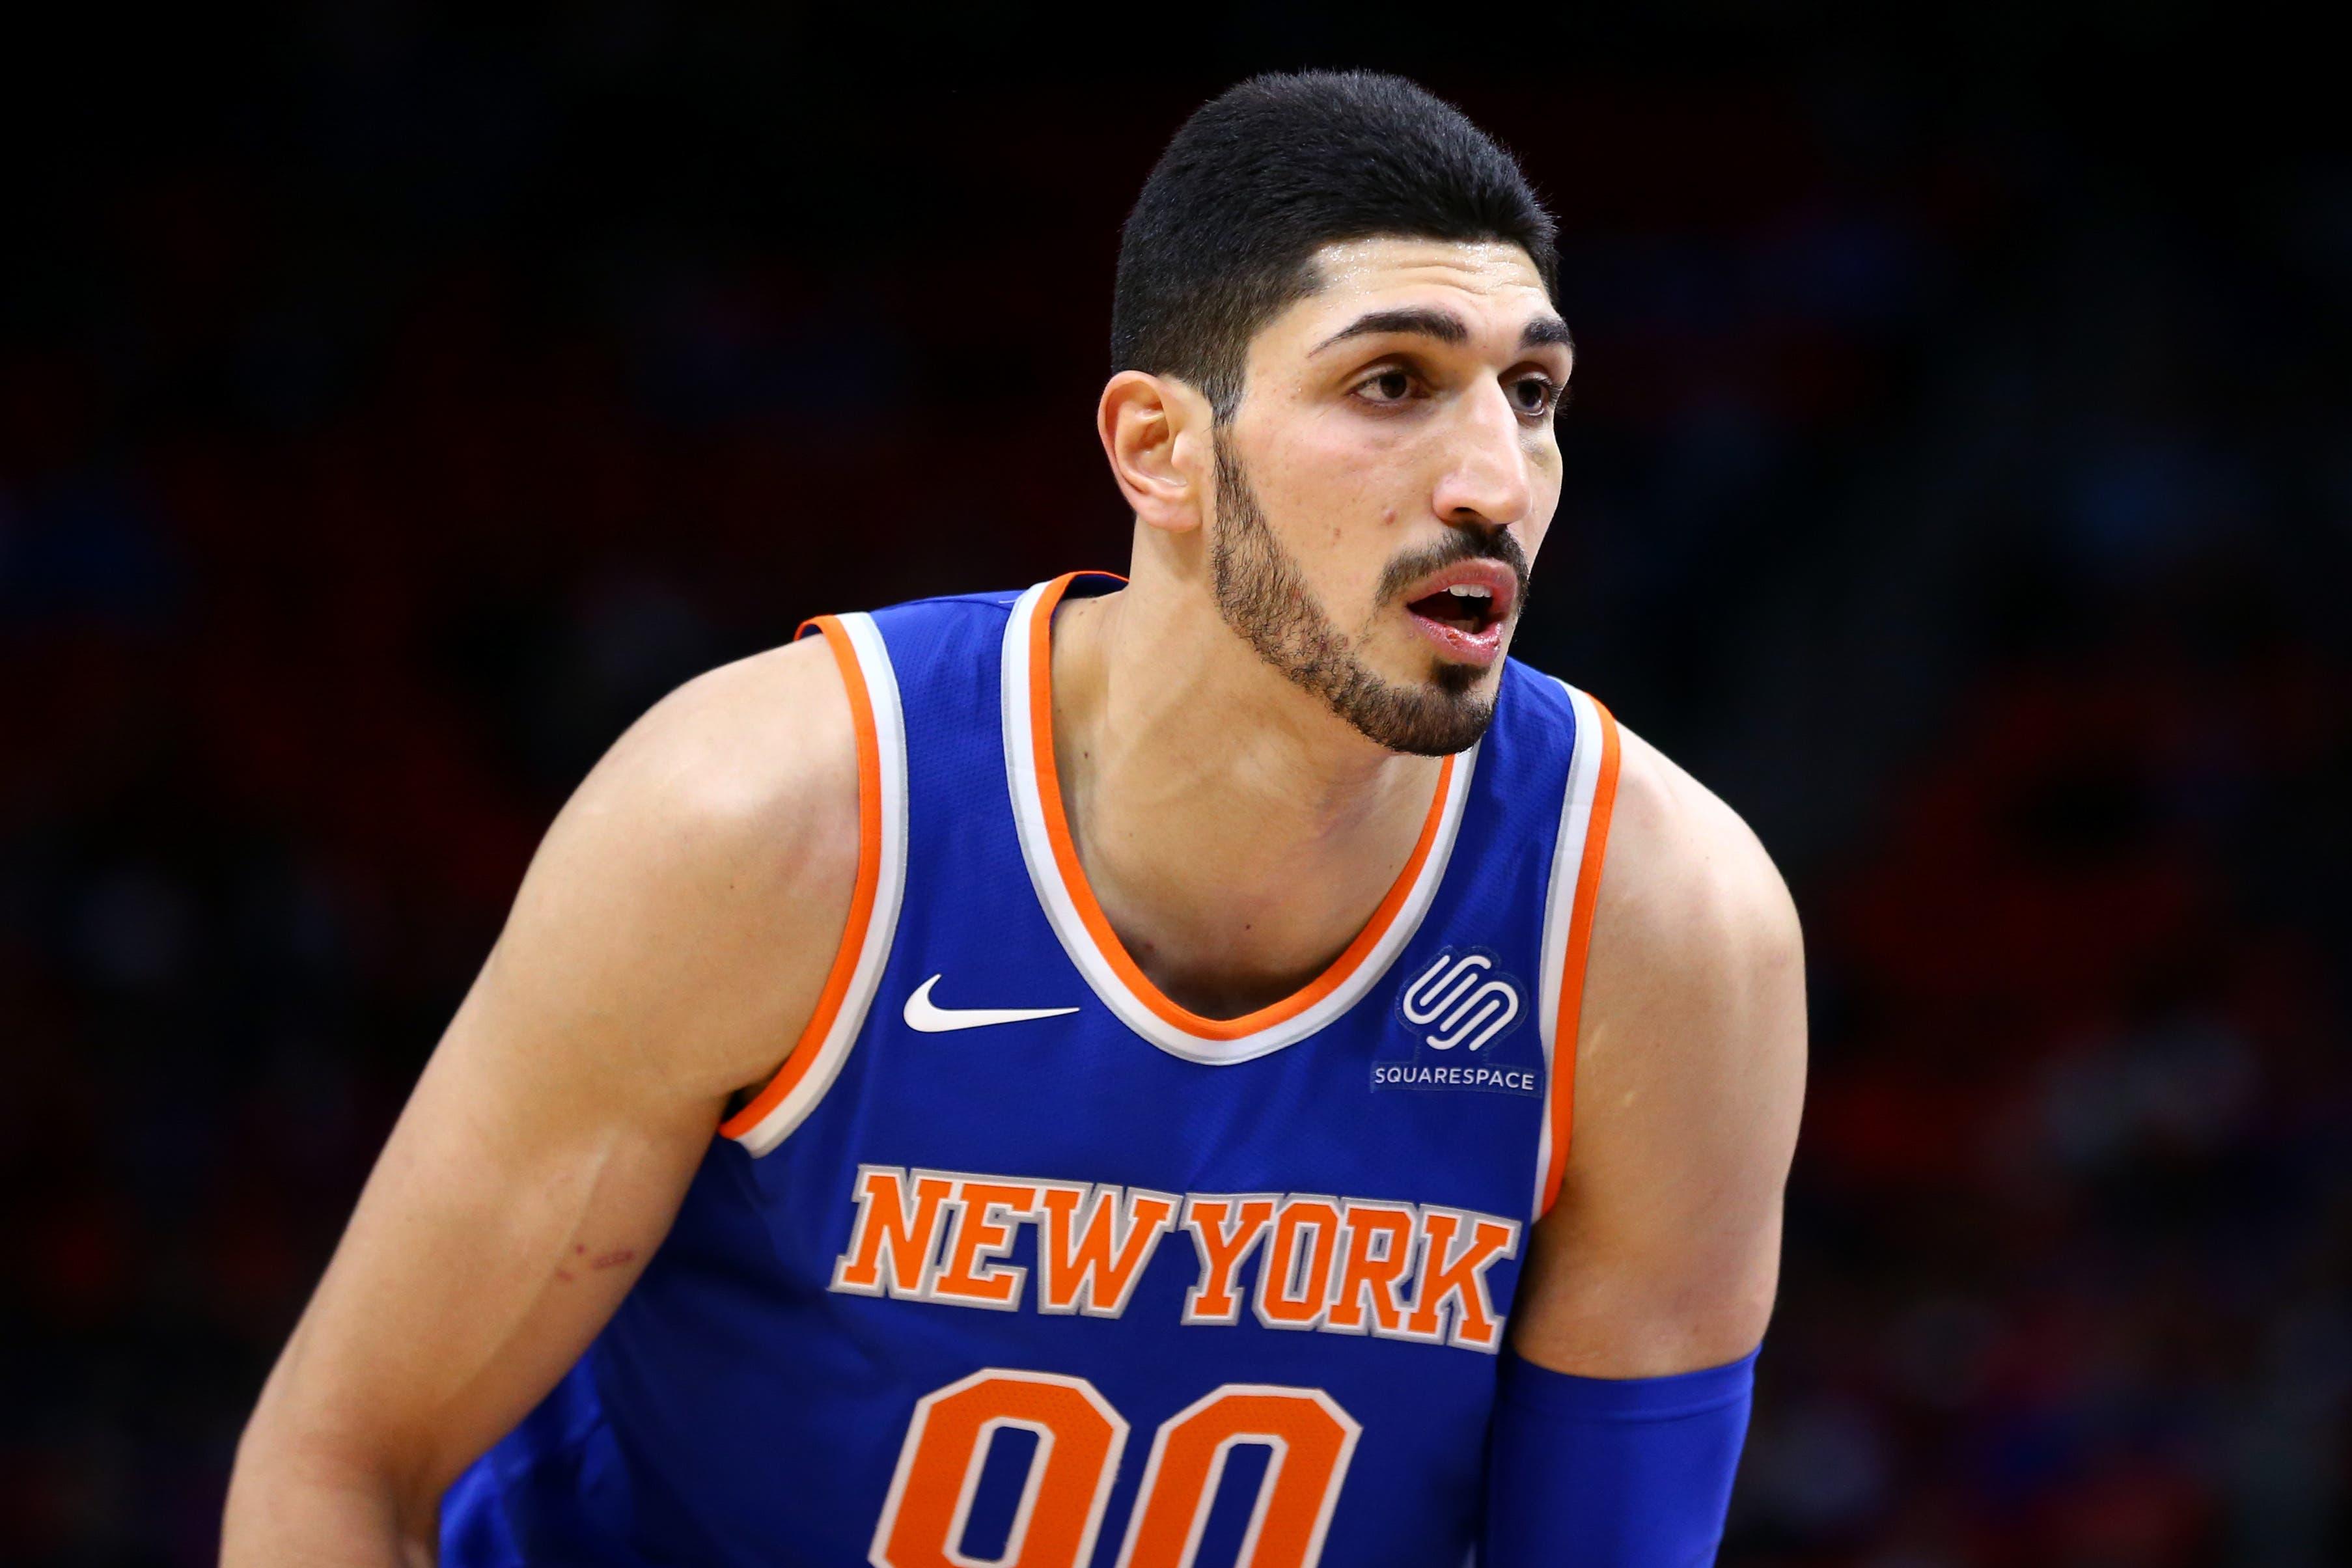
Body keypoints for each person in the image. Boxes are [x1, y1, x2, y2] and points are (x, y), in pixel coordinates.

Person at [223, 70, 1805, 1567]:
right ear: (1156, 449)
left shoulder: (1663, 933)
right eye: (1390, 383)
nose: (1491, 476)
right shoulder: (774, 819)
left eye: (1530, 392)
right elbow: (345, 1462)